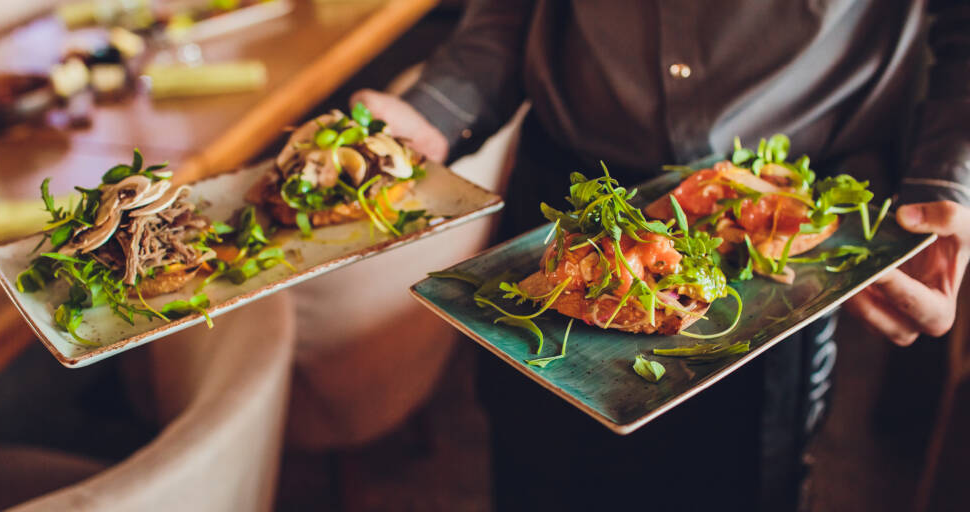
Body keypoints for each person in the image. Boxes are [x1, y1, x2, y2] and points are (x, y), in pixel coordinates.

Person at [352, 1, 970, 510]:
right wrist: (438, 110)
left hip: (778, 232)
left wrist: (946, 185)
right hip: (569, 200)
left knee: (734, 483)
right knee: (538, 474)